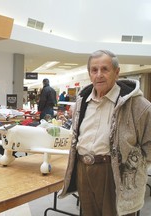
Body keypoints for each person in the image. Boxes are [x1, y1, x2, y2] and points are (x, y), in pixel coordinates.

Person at [59, 50, 151, 216]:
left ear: (117, 72)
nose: (99, 75)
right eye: (94, 70)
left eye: (104, 69)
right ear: (89, 74)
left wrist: (133, 165)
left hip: (114, 173)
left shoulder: (138, 104)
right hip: (83, 169)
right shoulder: (82, 101)